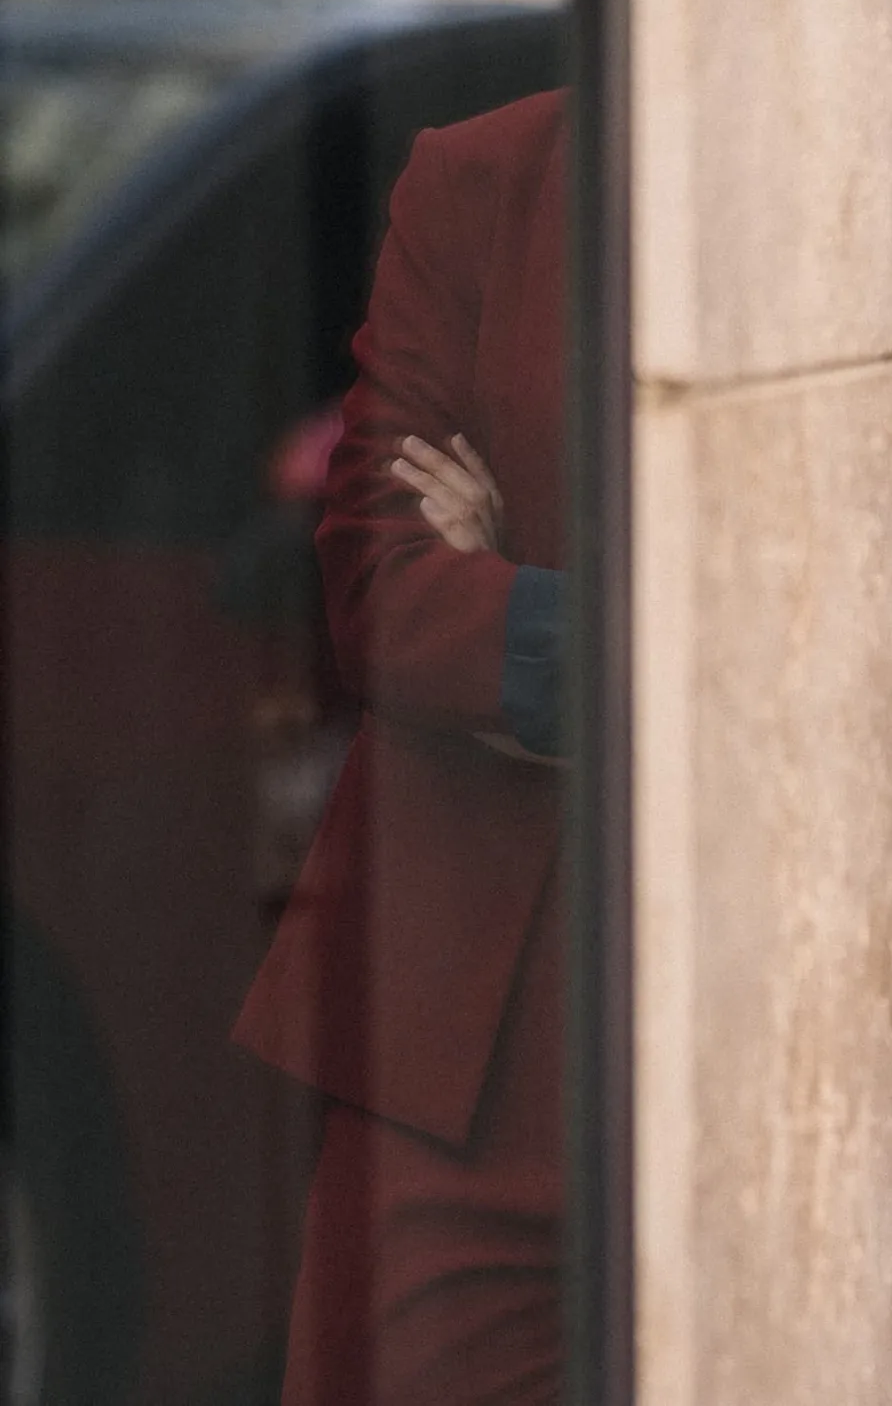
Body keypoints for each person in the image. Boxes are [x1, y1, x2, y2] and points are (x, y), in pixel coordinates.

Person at [236, 89, 572, 1405]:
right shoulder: (480, 177)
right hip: (468, 1049)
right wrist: (616, 670)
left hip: (774, 1024)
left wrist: (516, 597)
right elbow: (379, 579)